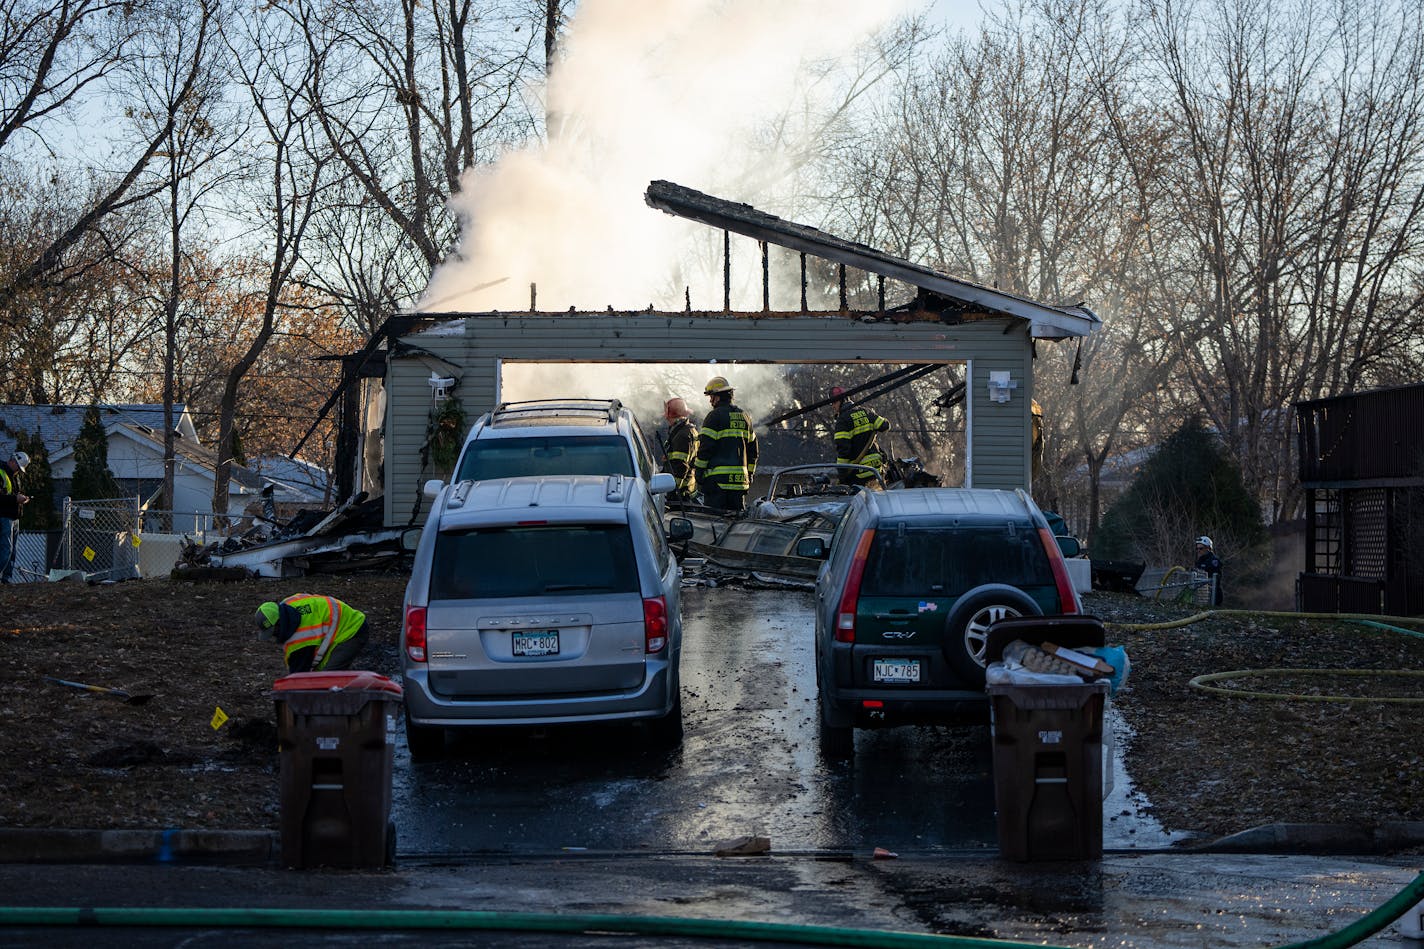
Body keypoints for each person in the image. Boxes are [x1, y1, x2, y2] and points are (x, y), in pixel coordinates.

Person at [255, 593, 369, 673]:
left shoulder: (301, 639)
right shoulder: (288, 603)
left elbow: (300, 676)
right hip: (340, 620)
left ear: (280, 623)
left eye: (274, 632)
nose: (274, 636)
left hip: (353, 629)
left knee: (326, 680)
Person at [695, 376, 758, 513]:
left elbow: (705, 449)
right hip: (739, 484)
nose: (710, 400)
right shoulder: (745, 417)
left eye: (711, 396)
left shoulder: (714, 416)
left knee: (714, 527)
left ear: (717, 397)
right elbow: (753, 451)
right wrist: (750, 474)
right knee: (736, 528)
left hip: (717, 484)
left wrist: (698, 473)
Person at [829, 386, 889, 485]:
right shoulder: (866, 412)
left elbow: (844, 451)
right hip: (877, 471)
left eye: (834, 402)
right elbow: (885, 425)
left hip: (860, 473)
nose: (833, 406)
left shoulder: (842, 421)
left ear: (842, 400)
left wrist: (842, 474)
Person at [0, 451, 30, 584]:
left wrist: (21, 499)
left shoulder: (14, 476)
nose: (18, 471)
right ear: (13, 461)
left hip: (14, 517)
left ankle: (6, 578)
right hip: (4, 517)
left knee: (13, 551)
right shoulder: (1, 473)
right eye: (18, 467)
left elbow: (14, 493)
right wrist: (15, 499)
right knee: (6, 550)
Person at [661, 397, 699, 502]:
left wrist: (672, 490)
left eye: (668, 417)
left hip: (681, 495)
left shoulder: (682, 436)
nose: (666, 419)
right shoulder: (687, 431)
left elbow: (681, 466)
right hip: (686, 491)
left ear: (675, 416)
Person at [1194, 536, 1224, 606]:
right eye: (1197, 548)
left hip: (1213, 595)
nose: (1198, 550)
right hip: (1203, 595)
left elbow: (1214, 578)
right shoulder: (1200, 560)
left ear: (1208, 548)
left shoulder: (1214, 561)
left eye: (1201, 548)